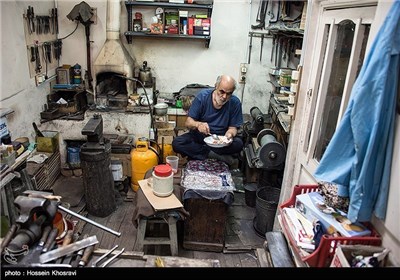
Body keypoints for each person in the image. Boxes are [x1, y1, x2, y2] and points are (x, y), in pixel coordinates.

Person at [172, 75, 243, 166]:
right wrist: (198, 124)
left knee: (238, 144)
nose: (224, 96)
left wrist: (229, 135)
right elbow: (188, 122)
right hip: (201, 137)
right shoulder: (202, 97)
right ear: (216, 86)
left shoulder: (235, 102)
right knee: (177, 143)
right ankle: (215, 155)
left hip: (221, 140)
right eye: (222, 91)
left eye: (229, 93)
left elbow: (233, 128)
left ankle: (202, 153)